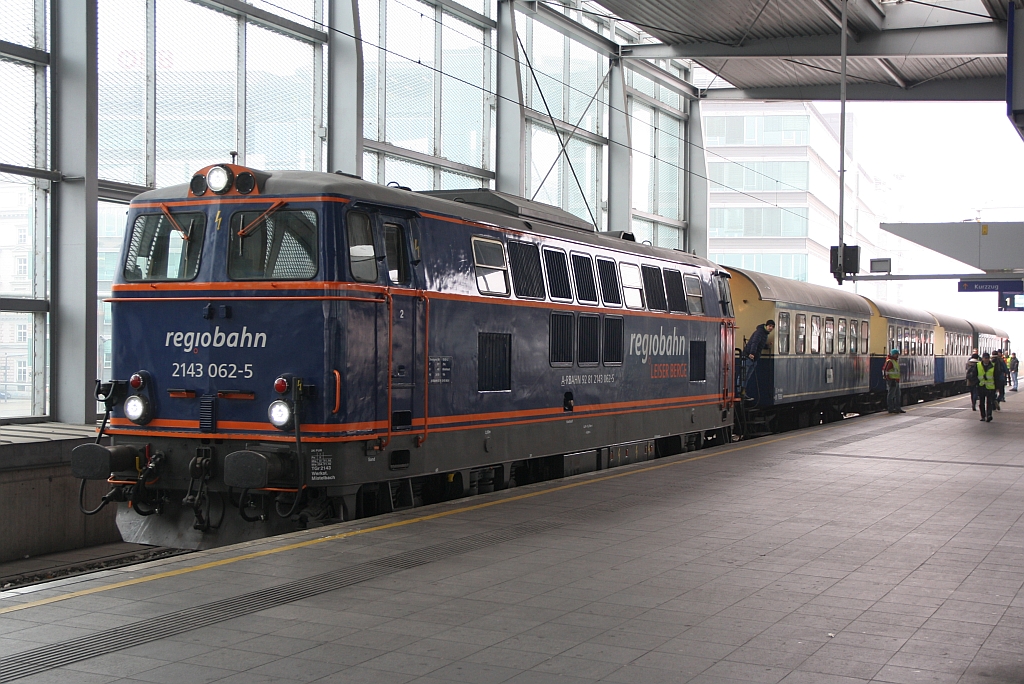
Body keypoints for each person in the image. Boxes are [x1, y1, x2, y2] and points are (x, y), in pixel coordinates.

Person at [741, 319, 775, 399]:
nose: (771, 328)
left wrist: (767, 346)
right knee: (744, 376)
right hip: (749, 357)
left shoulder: (764, 334)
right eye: (770, 326)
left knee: (746, 376)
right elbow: (754, 343)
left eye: (772, 327)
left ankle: (743, 392)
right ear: (766, 325)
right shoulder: (760, 332)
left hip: (754, 358)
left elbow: (760, 344)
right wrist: (752, 353)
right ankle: (741, 393)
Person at [883, 348, 905, 414]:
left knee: (898, 395)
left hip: (896, 380)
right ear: (893, 354)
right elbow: (885, 370)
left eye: (897, 354)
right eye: (896, 354)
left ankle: (898, 408)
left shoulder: (895, 361)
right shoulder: (890, 361)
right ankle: (891, 409)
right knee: (891, 395)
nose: (897, 355)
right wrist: (888, 379)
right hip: (892, 380)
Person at [976, 352, 996, 422]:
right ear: (982, 358)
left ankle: (989, 415)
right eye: (985, 358)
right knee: (981, 402)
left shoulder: (993, 366)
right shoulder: (978, 365)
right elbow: (975, 375)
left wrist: (997, 387)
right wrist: (976, 384)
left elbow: (996, 376)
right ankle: (983, 416)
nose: (986, 360)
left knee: (989, 402)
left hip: (990, 387)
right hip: (981, 386)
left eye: (987, 358)